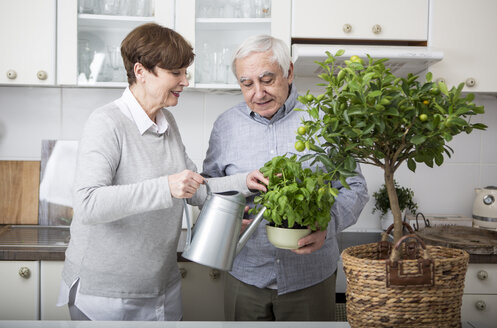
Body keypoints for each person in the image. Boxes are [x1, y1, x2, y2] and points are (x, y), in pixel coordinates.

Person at [57, 23, 268, 321]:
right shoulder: (106, 122)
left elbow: (195, 188)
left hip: (162, 287)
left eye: (185, 72)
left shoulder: (166, 121)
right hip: (107, 294)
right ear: (141, 71)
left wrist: (244, 181)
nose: (185, 81)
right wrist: (166, 187)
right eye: (176, 73)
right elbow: (88, 204)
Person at [202, 35, 369, 321]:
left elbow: (355, 187)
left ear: (288, 72)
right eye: (246, 84)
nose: (258, 93)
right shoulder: (226, 125)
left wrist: (327, 225)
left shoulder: (323, 119)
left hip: (310, 277)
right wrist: (226, 213)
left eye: (267, 79)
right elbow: (208, 187)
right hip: (246, 275)